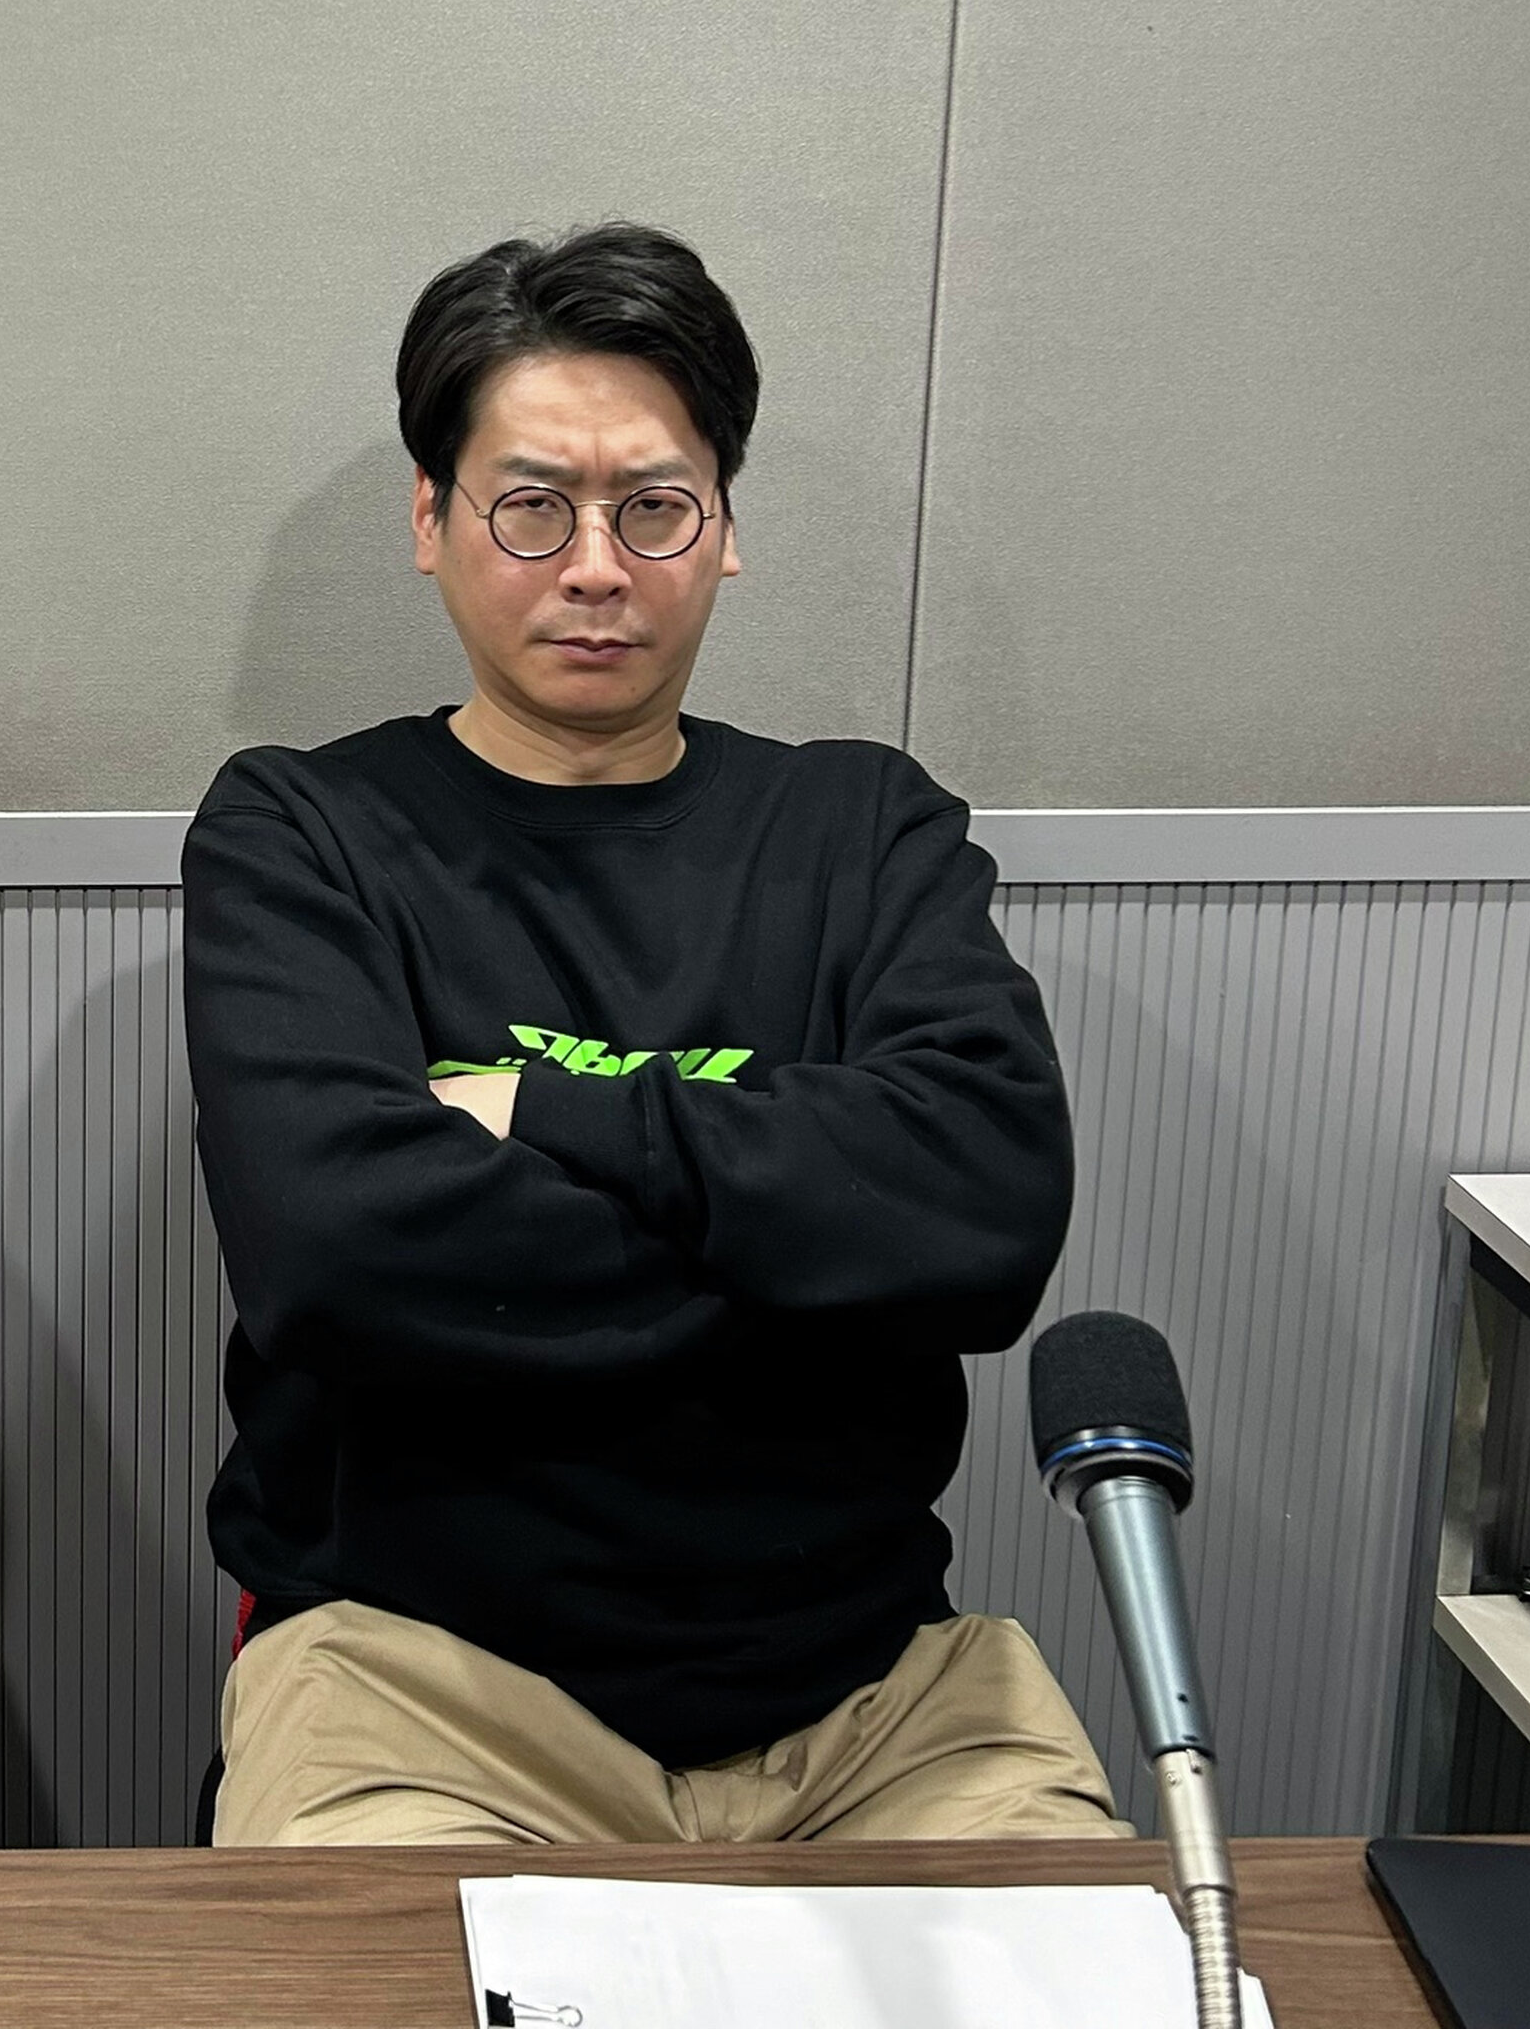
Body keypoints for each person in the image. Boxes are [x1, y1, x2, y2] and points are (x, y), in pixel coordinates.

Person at [185, 224, 1119, 1846]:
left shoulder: (865, 831)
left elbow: (984, 1217)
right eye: (532, 507)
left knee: (1101, 1960)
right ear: (431, 520)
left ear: (725, 528)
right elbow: (335, 1252)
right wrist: (808, 1251)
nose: (598, 566)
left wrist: (535, 1117)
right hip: (426, 1686)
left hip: (875, 1701)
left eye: (655, 507)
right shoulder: (304, 833)